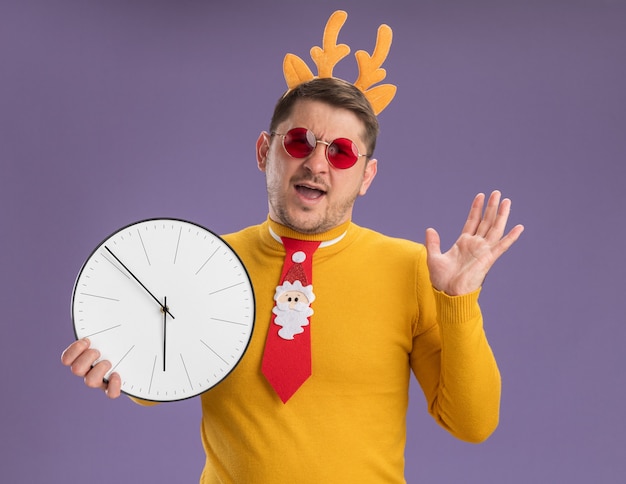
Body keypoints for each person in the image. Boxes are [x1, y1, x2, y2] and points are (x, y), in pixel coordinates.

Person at [61, 12, 524, 484]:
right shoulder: (205, 263)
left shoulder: (412, 270)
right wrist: (118, 363)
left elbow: (472, 424)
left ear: (366, 176)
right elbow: (163, 371)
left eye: (341, 152)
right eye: (300, 141)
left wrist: (460, 302)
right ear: (265, 151)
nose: (317, 164)